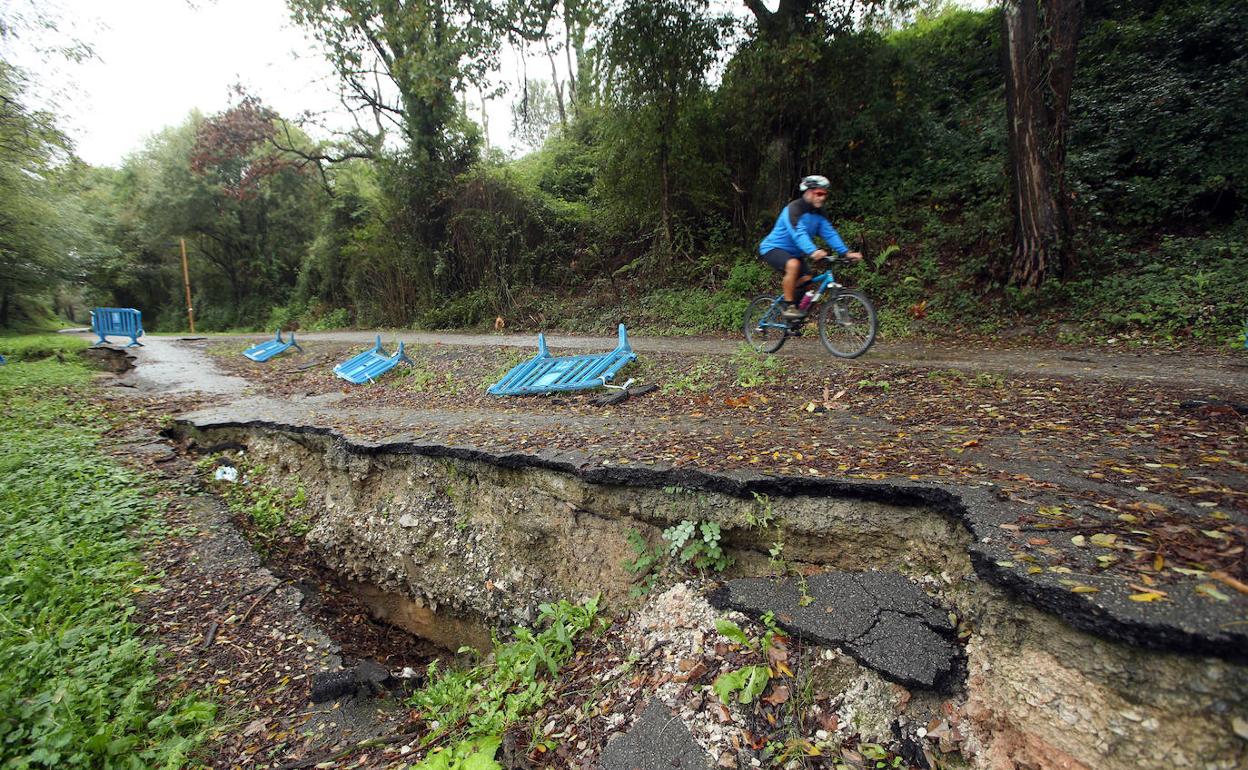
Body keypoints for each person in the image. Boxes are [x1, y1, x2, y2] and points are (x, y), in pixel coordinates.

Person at [758, 175, 862, 320]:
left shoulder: (819, 214)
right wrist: (813, 251)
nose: (822, 198)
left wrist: (846, 252)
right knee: (793, 265)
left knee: (807, 281)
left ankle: (794, 319)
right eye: (818, 193)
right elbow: (798, 233)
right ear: (807, 192)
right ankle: (789, 307)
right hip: (773, 248)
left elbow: (830, 234)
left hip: (795, 252)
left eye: (824, 194)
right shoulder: (794, 209)